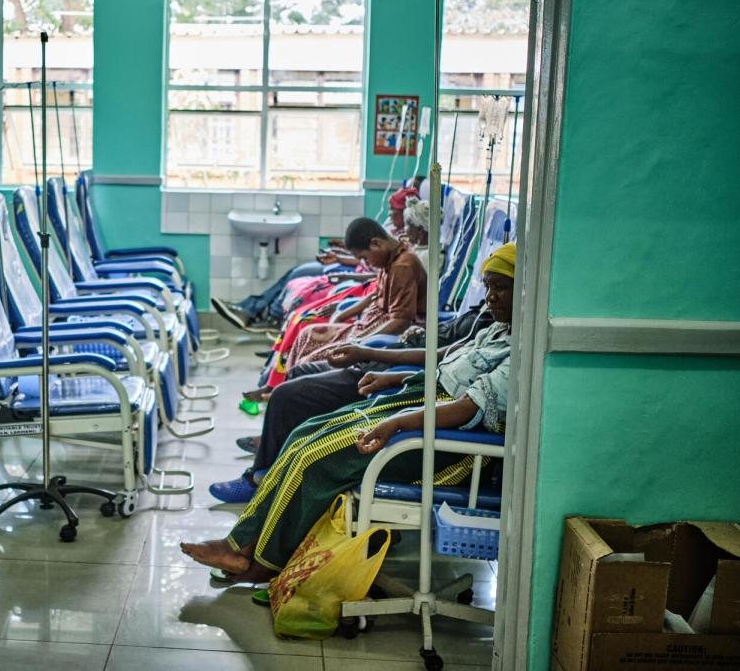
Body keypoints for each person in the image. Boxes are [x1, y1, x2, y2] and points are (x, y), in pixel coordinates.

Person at [183, 243, 515, 580]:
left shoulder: (518, 356)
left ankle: (263, 563)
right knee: (305, 433)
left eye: (500, 287)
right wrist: (390, 375)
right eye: (488, 286)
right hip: (416, 404)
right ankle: (242, 542)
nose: (490, 296)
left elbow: (464, 408)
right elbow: (443, 360)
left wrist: (395, 423)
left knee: (317, 458)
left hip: (442, 440)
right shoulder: (494, 330)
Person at [256, 218, 426, 391]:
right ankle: (281, 388)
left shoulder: (403, 266)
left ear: (376, 244)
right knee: (308, 334)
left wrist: (361, 344)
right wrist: (343, 314)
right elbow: (376, 295)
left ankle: (291, 392)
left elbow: (400, 321)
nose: (366, 264)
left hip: (376, 333)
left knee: (313, 360)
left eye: (364, 258)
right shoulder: (390, 259)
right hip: (365, 325)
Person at [211, 240, 357, 331]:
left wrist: (341, 256)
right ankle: (254, 310)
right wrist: (346, 249)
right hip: (349, 263)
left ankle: (264, 314)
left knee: (297, 274)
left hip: (352, 269)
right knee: (294, 272)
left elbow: (367, 261)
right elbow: (364, 255)